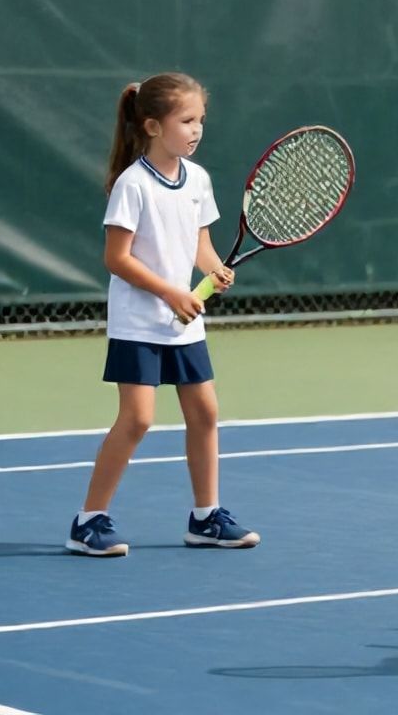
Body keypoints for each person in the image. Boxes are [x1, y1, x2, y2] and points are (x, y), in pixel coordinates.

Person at [67, 73, 259, 557]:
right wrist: (172, 294)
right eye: (186, 120)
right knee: (137, 420)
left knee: (206, 413)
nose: (197, 130)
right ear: (152, 125)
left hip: (185, 322)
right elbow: (117, 259)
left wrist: (214, 270)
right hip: (138, 321)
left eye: (201, 121)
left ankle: (206, 517)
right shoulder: (132, 185)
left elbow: (200, 245)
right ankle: (88, 521)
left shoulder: (198, 180)